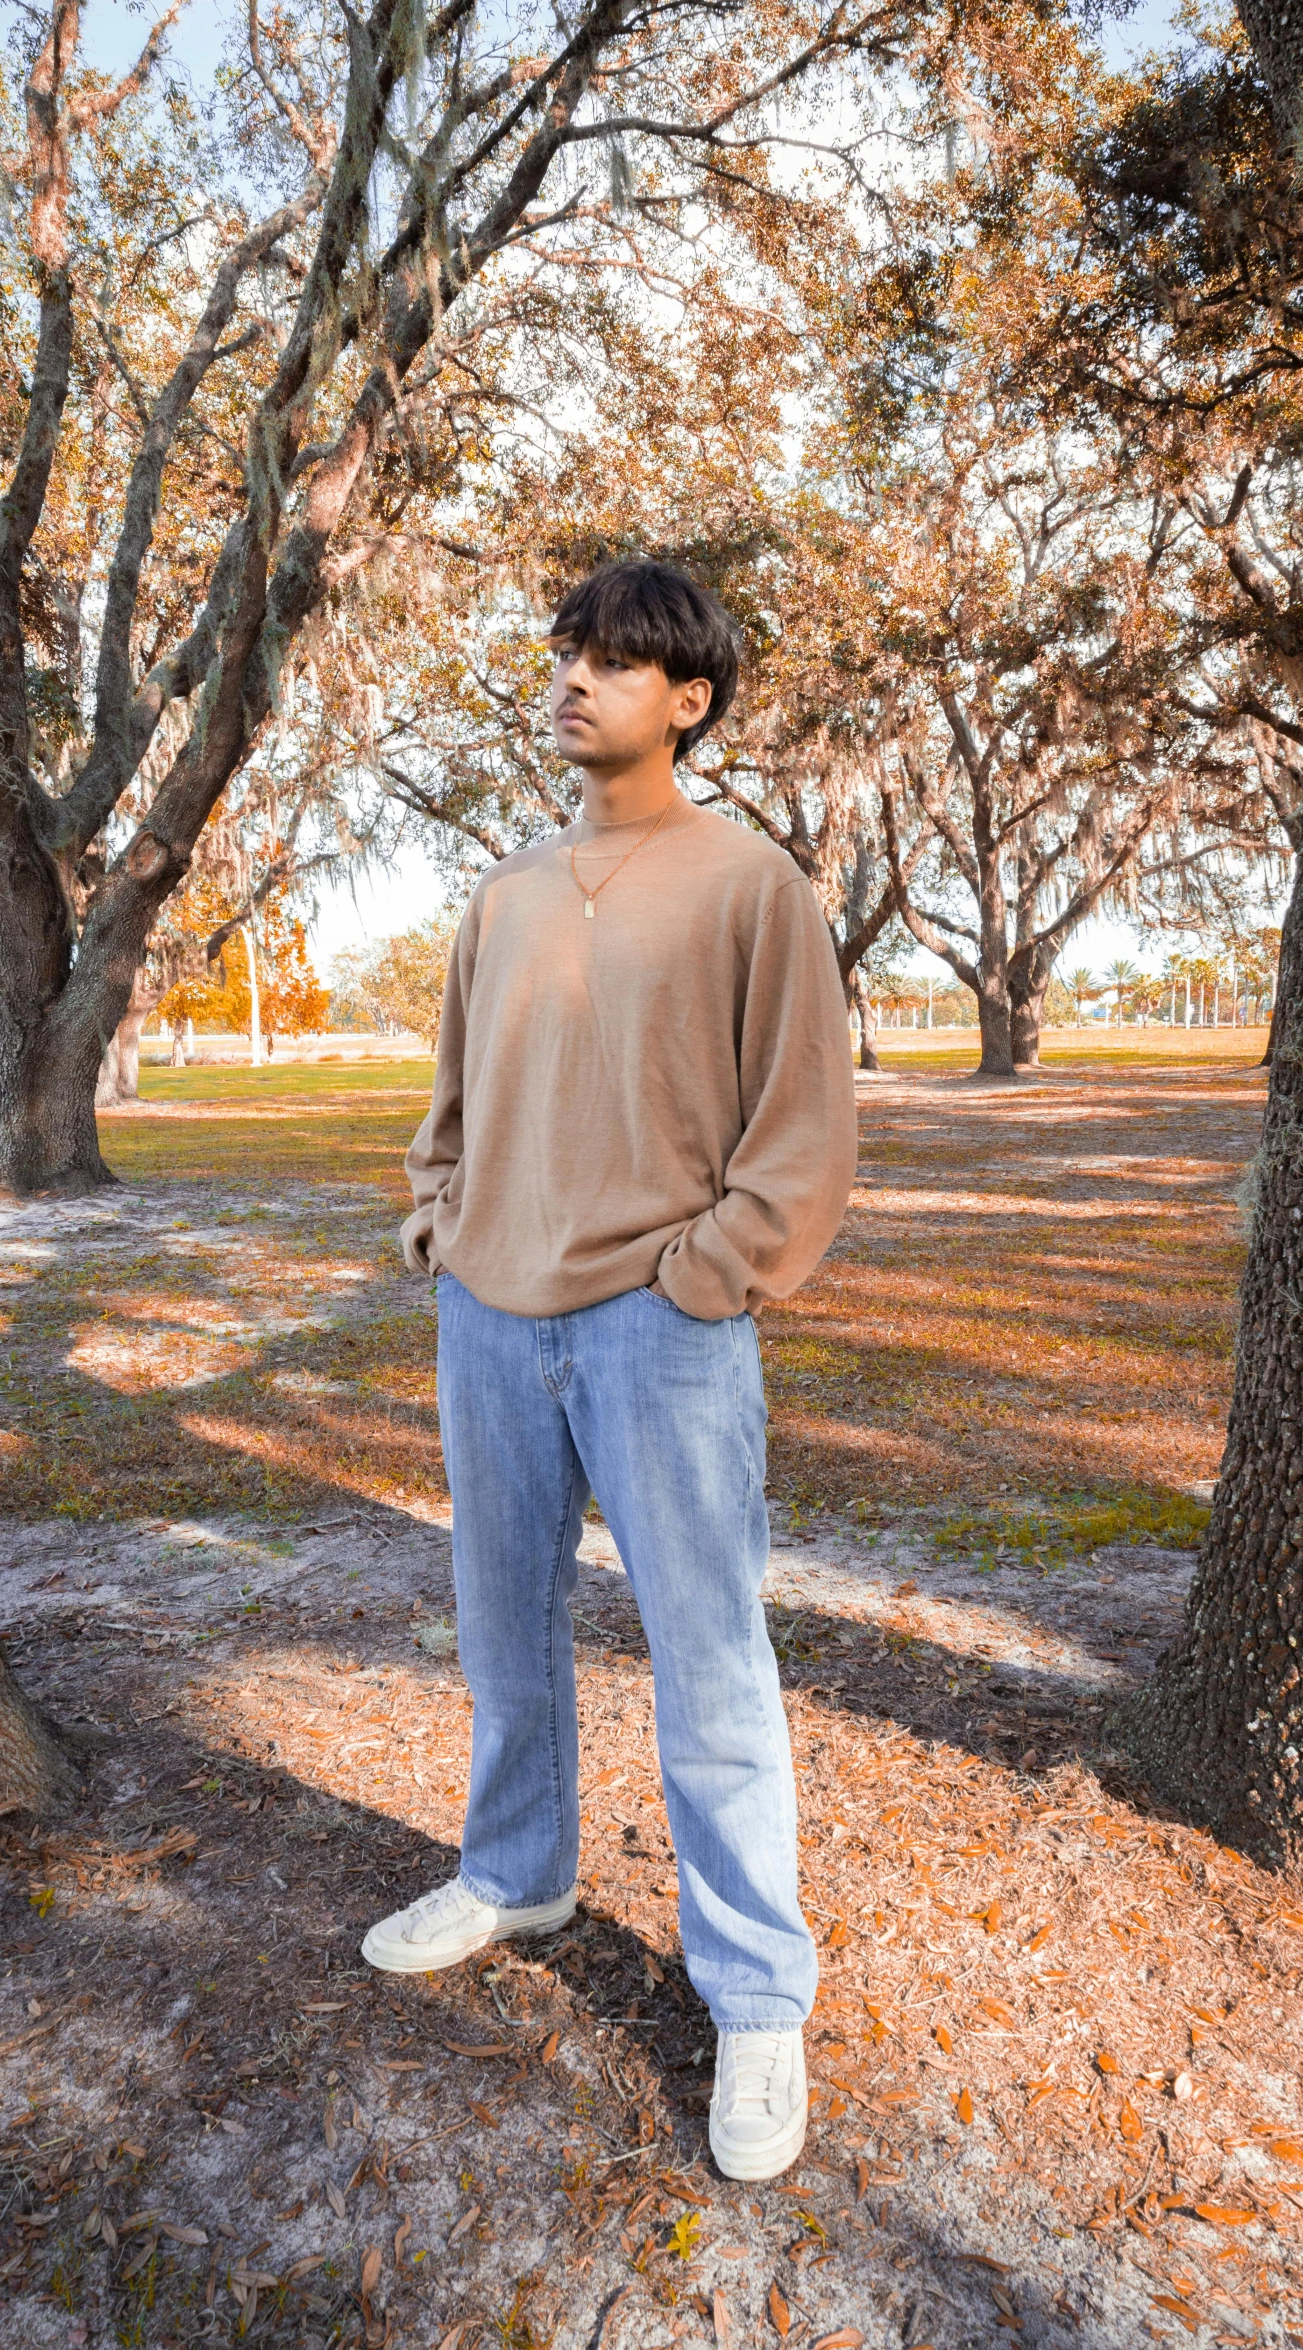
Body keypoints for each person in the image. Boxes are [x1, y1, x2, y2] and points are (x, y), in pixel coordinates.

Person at [361, 559, 857, 2180]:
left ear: (689, 698)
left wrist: (705, 1277)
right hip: (489, 1322)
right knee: (503, 1626)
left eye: (616, 660)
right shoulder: (501, 892)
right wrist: (440, 1222)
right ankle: (515, 1872)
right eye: (565, 652)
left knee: (708, 1663)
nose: (574, 679)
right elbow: (447, 1099)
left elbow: (802, 1128)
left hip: (664, 1330)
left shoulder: (747, 884)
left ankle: (757, 1993)